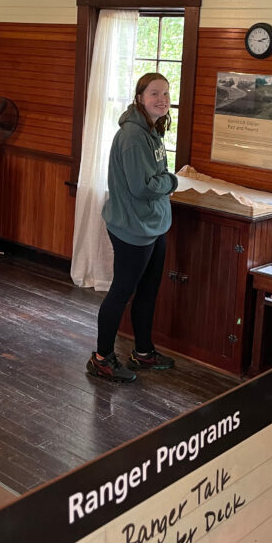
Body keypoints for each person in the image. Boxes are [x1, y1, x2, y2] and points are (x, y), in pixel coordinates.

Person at [86, 72, 178, 383]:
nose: (162, 99)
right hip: (132, 228)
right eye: (154, 93)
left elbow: (156, 176)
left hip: (153, 225)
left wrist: (164, 181)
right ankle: (101, 358)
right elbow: (143, 186)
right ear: (140, 98)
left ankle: (143, 352)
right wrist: (172, 181)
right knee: (121, 291)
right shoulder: (132, 136)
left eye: (165, 93)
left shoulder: (152, 130)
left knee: (148, 291)